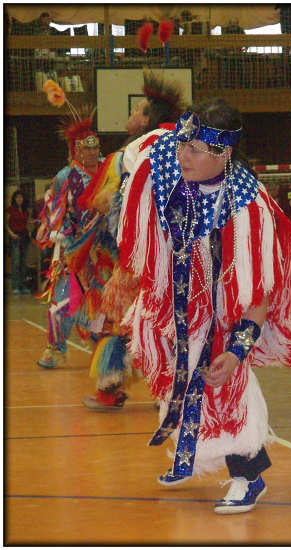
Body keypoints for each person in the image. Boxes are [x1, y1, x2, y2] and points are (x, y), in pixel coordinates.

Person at [117, 98, 291, 514]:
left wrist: (237, 352)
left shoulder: (248, 209)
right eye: (183, 143)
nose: (184, 154)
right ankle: (188, 457)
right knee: (177, 379)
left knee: (223, 381)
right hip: (177, 300)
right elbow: (139, 153)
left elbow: (257, 292)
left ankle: (249, 474)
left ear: (225, 153)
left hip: (223, 309)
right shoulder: (169, 162)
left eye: (196, 149)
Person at [77, 70, 185, 410]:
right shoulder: (188, 141)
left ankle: (108, 390)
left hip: (139, 255)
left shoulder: (133, 150)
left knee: (122, 321)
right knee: (171, 320)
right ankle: (170, 392)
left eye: (137, 109)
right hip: (180, 252)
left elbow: (108, 203)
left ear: (147, 119)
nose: (132, 114)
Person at [36, 113, 103, 368]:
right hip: (73, 249)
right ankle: (55, 347)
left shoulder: (108, 169)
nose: (92, 153)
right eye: (87, 148)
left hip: (103, 249)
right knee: (62, 299)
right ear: (76, 150)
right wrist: (62, 236)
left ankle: (103, 342)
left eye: (95, 147)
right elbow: (55, 209)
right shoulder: (67, 176)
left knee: (102, 299)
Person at [6, 189, 31, 295]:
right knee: (16, 262)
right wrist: (11, 234)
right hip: (15, 236)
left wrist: (29, 232)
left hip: (24, 236)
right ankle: (15, 286)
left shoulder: (25, 210)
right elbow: (5, 223)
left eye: (21, 197)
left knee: (24, 262)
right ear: (14, 199)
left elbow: (28, 223)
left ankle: (23, 286)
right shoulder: (10, 210)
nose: (19, 199)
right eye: (17, 197)